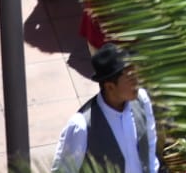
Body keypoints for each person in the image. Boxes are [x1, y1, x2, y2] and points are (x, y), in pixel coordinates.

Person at [52, 44, 160, 173]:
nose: (136, 81)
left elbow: (150, 144)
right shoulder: (81, 126)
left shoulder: (141, 100)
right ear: (110, 87)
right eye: (130, 78)